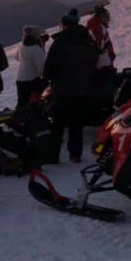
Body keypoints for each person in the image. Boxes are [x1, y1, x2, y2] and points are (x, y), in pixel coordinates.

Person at [44, 8, 98, 164]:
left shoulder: (60, 42)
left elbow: (49, 65)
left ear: (64, 24)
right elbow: (94, 62)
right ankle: (75, 154)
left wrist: (49, 79)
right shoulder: (88, 41)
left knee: (58, 122)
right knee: (76, 123)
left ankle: (53, 155)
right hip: (82, 88)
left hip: (62, 88)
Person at [15, 25, 46, 110]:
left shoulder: (21, 45)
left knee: (22, 102)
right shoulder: (36, 49)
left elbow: (16, 58)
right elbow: (41, 69)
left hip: (20, 78)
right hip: (32, 80)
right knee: (34, 102)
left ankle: (19, 116)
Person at [86, 4, 116, 73]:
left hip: (101, 62)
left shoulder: (96, 26)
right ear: (102, 18)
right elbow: (99, 47)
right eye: (107, 17)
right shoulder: (98, 28)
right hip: (102, 64)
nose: (108, 19)